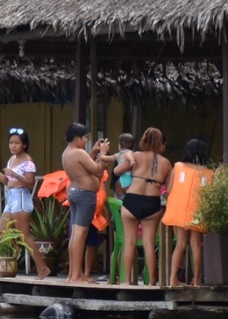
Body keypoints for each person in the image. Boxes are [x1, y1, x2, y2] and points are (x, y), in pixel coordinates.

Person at [0, 127, 50, 278]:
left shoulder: (28, 162)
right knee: (2, 233)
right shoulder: (11, 160)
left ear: (24, 145)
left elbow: (30, 183)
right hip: (11, 197)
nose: (13, 146)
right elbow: (7, 182)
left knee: (24, 235)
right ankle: (3, 267)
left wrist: (15, 174)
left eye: (16, 143)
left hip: (21, 197)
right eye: (11, 143)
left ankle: (43, 268)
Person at [61, 122, 115, 283]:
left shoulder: (68, 153)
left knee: (75, 235)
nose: (86, 140)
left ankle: (73, 274)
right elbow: (98, 171)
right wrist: (104, 154)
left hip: (75, 193)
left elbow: (85, 166)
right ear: (77, 138)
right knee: (80, 235)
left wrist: (92, 152)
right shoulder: (78, 152)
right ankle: (77, 275)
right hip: (85, 196)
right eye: (85, 138)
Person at [119, 127, 170, 286]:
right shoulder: (166, 163)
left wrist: (126, 158)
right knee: (149, 243)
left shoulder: (135, 156)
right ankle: (152, 281)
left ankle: (127, 280)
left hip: (132, 200)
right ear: (160, 143)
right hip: (152, 203)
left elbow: (117, 171)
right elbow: (168, 190)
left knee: (129, 242)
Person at [164, 138, 210, 287]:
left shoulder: (177, 167)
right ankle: (196, 280)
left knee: (180, 244)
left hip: (179, 209)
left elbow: (169, 189)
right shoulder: (208, 172)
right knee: (196, 244)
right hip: (198, 211)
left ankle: (173, 279)